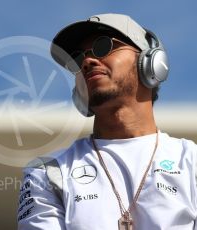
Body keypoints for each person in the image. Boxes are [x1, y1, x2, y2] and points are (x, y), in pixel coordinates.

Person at [17, 13, 197, 230]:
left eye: (104, 46)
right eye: (77, 58)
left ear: (150, 63)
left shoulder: (191, 162)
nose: (86, 61)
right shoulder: (47, 171)